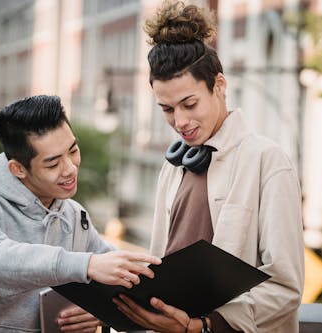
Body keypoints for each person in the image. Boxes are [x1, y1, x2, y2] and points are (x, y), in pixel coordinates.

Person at [113, 1, 304, 332]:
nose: (180, 121)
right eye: (167, 109)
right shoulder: (173, 166)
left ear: (219, 85)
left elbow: (285, 288)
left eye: (189, 104)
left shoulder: (267, 161)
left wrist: (200, 326)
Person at [0, 95, 161, 333]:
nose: (71, 169)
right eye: (53, 163)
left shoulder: (74, 216)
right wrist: (86, 265)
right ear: (18, 169)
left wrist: (100, 310)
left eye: (73, 151)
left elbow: (120, 279)